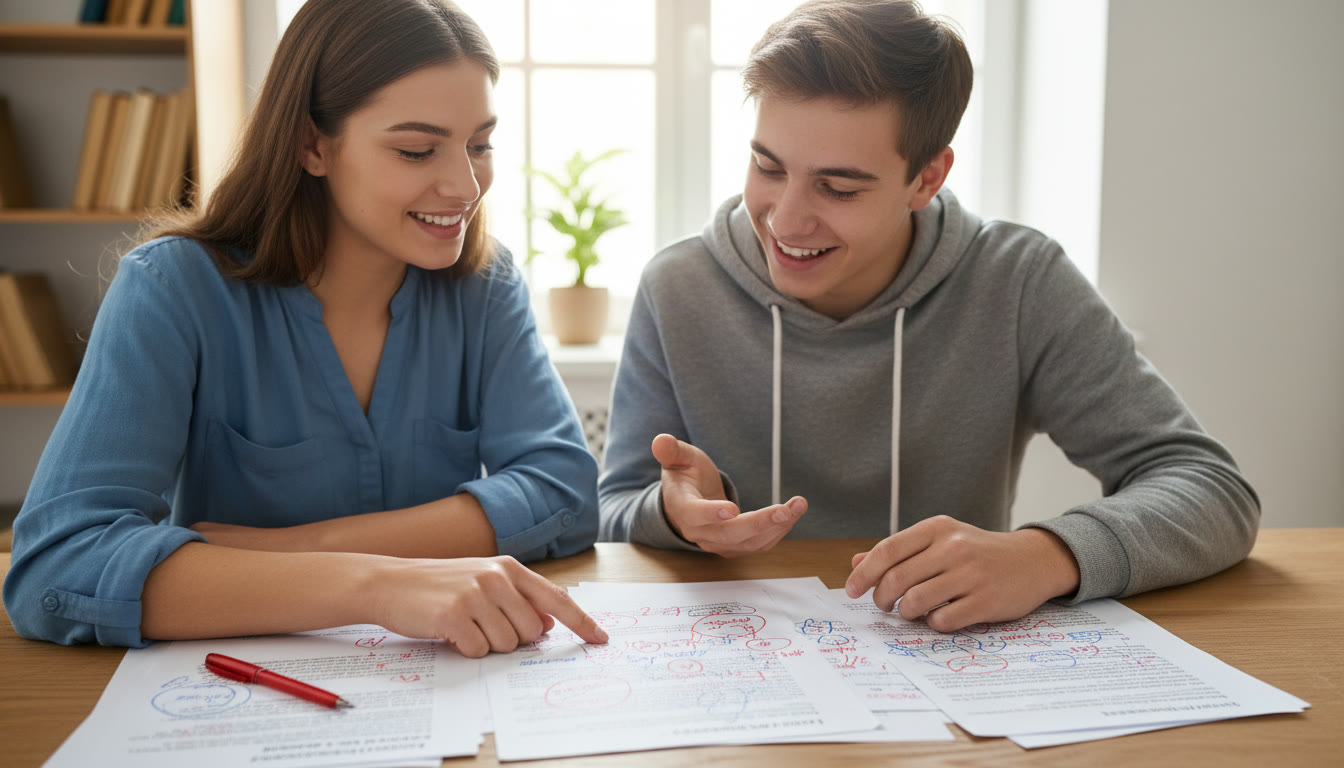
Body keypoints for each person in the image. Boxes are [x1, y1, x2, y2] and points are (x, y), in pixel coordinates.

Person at [598, 0, 1259, 633]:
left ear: (926, 178)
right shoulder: (677, 286)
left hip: (943, 673)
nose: (786, 218)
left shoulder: (1019, 281)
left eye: (838, 187)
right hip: (748, 676)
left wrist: (1043, 554)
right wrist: (674, 514)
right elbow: (611, 511)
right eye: (767, 166)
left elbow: (1211, 490)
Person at [3, 0, 607, 657]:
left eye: (480, 144)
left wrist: (295, 548)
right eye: (416, 150)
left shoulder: (484, 287)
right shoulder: (173, 289)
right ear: (312, 145)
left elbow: (563, 493)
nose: (465, 184)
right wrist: (372, 585)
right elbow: (57, 567)